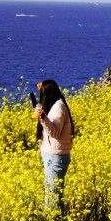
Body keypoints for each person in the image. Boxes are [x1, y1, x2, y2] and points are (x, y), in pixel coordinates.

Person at [35, 79, 75, 210]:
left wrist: (43, 118)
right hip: (53, 155)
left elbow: (55, 133)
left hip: (55, 157)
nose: (42, 99)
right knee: (53, 195)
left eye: (43, 95)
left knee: (53, 199)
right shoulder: (55, 104)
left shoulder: (58, 107)